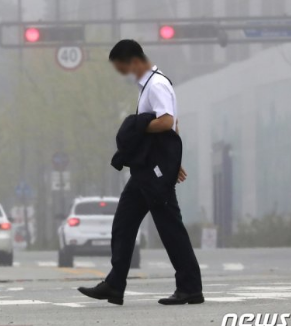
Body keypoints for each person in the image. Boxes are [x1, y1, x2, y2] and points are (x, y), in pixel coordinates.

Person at [78, 40, 203, 306]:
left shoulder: (156, 84)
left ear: (134, 61)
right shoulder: (148, 85)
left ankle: (190, 287)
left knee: (171, 229)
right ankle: (114, 284)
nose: (122, 73)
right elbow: (173, 125)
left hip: (153, 174)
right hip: (146, 171)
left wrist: (138, 127)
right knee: (123, 225)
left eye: (122, 67)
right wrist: (172, 160)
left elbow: (168, 120)